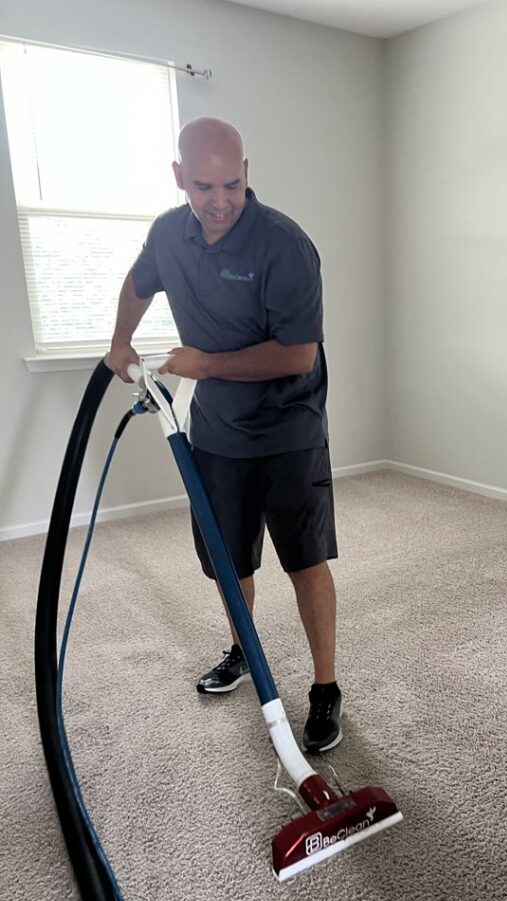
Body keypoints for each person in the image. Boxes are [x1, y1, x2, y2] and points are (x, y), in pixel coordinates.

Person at [108, 117, 342, 753]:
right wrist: (119, 341)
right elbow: (139, 281)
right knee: (227, 560)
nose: (218, 200)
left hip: (290, 429)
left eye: (232, 185)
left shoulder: (283, 245)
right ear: (180, 176)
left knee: (305, 560)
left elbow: (298, 355)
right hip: (215, 433)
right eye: (204, 185)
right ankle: (243, 650)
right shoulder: (168, 233)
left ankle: (325, 689)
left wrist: (206, 363)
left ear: (248, 174)